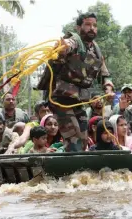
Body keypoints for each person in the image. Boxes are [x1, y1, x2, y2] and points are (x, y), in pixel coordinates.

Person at [37, 12, 112, 152]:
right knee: (73, 141)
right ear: (79, 27)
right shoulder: (74, 40)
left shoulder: (96, 50)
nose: (92, 28)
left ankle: (81, 172)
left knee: (83, 141)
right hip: (61, 100)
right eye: (88, 24)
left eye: (94, 25)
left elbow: (104, 74)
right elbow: (67, 46)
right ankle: (71, 172)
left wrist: (108, 87)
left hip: (78, 102)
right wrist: (62, 48)